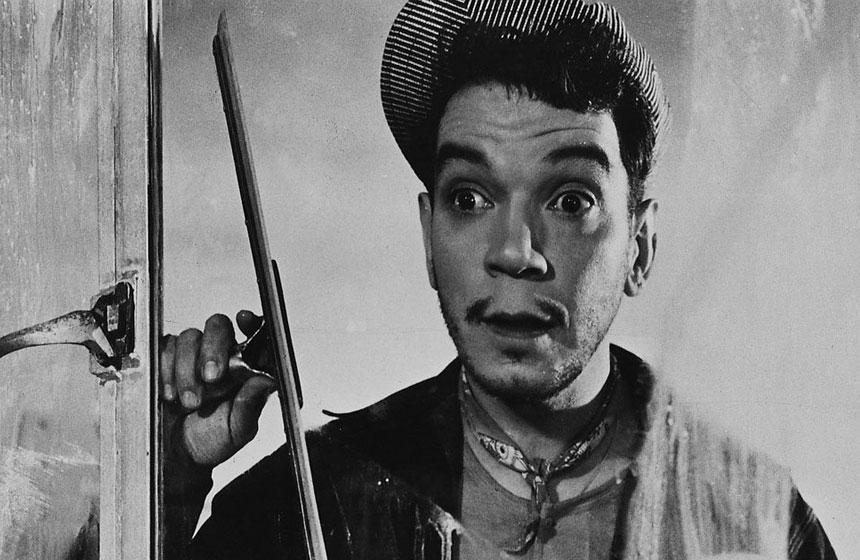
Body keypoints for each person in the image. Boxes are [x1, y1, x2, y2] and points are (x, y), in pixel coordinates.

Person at [162, 1, 838, 558]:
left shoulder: (754, 523)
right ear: (429, 236)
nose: (514, 251)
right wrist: (164, 483)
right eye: (470, 198)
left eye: (570, 200)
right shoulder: (309, 500)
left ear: (638, 246)